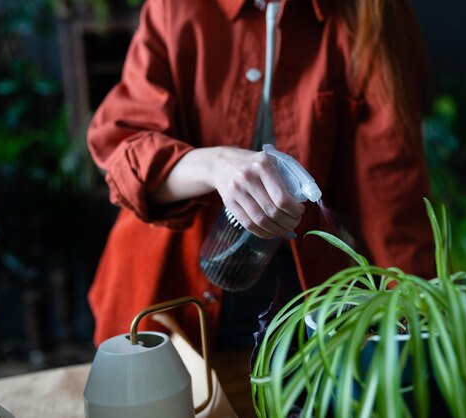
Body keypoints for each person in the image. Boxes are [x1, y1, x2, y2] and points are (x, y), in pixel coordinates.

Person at [86, 0, 435, 348]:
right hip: (167, 283)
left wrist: (423, 321)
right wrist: (213, 164)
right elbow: (122, 147)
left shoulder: (367, 14)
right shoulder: (175, 7)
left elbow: (391, 196)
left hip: (296, 291)